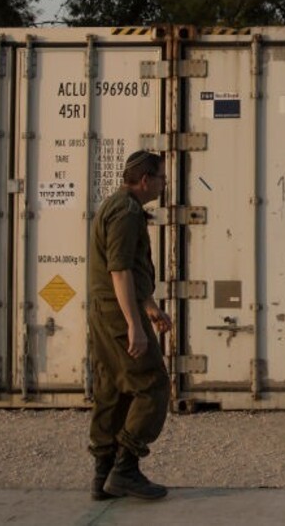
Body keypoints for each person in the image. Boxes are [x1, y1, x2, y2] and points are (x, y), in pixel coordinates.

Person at [87, 150, 172, 500]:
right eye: (162, 178)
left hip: (110, 310)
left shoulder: (117, 205)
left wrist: (149, 306)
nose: (164, 184)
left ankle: (103, 475)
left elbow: (131, 271)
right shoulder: (126, 212)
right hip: (117, 315)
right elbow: (119, 270)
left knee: (114, 388)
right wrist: (135, 326)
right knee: (153, 385)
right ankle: (125, 468)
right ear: (145, 180)